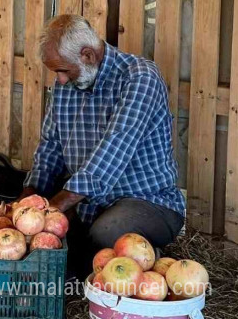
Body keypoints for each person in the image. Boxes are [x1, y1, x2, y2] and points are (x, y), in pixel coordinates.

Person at [21, 14, 186, 280]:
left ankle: (142, 256)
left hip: (147, 201)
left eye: (63, 70)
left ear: (87, 55)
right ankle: (100, 259)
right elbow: (50, 146)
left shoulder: (140, 77)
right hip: (87, 202)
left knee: (107, 232)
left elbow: (115, 148)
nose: (60, 80)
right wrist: (29, 198)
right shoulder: (69, 83)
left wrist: (54, 207)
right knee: (55, 243)